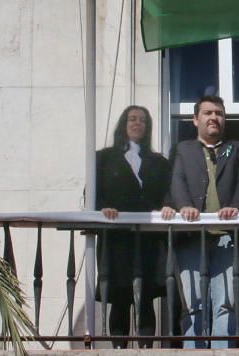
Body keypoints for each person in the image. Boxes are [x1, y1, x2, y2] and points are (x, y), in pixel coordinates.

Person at [160, 95, 239, 348]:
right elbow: (176, 181)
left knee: (226, 304)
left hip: (228, 238)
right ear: (195, 119)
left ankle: (222, 352)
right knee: (193, 305)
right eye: (208, 113)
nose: (214, 117)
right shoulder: (183, 149)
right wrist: (184, 206)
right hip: (191, 237)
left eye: (219, 113)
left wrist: (236, 206)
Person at [95, 106, 172, 348]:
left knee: (146, 294)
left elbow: (169, 192)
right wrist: (103, 208)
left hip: (149, 239)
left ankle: (147, 348)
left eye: (142, 120)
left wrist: (168, 206)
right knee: (120, 294)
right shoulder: (103, 157)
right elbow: (93, 194)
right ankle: (119, 348)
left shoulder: (159, 161)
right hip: (116, 238)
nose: (137, 123)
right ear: (123, 124)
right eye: (132, 119)